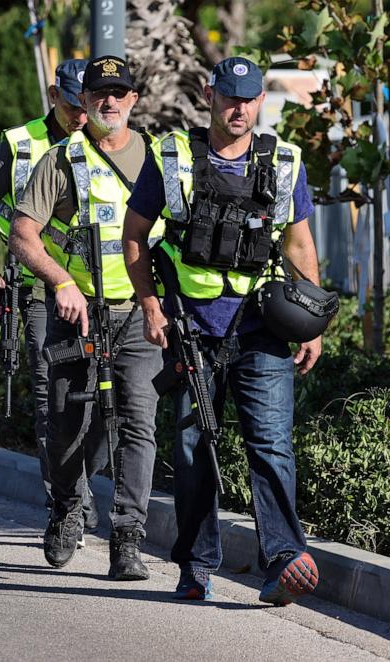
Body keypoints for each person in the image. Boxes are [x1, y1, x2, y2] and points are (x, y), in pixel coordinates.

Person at [122, 56, 323, 604]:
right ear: (210, 96)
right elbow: (134, 234)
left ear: (261, 100)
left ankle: (283, 559)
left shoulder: (283, 163)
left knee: (273, 447)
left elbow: (299, 243)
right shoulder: (174, 157)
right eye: (229, 97)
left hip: (262, 327)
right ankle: (195, 567)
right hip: (192, 330)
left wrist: (313, 321)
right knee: (192, 451)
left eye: (249, 98)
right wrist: (150, 305)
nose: (239, 108)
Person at [9, 55, 165, 580]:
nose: (110, 102)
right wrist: (62, 281)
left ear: (133, 100)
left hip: (138, 315)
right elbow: (22, 236)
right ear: (85, 100)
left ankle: (127, 539)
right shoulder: (61, 159)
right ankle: (68, 508)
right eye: (100, 93)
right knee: (67, 427)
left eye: (119, 93)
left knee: (137, 424)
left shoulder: (158, 159)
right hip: (75, 317)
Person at [0, 59, 102, 537]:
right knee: (49, 396)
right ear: (54, 96)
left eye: (88, 105)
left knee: (109, 402)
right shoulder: (20, 145)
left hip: (102, 289)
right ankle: (68, 503)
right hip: (38, 286)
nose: (82, 114)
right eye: (73, 104)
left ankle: (79, 482)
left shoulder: (109, 142)